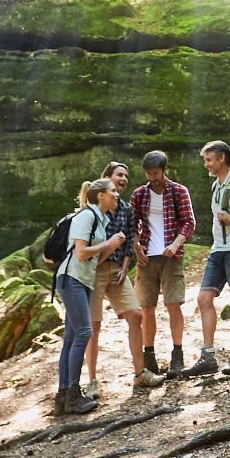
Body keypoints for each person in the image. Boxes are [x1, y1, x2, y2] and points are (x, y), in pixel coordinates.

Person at [175, 140, 230, 378]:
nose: (206, 164)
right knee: (204, 298)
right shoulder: (216, 185)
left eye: (209, 160)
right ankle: (208, 356)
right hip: (218, 250)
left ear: (221, 159)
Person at [84, 162, 161, 394]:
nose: (124, 180)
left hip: (117, 270)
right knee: (93, 327)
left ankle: (140, 374)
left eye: (126, 176)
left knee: (135, 315)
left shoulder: (126, 209)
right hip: (94, 272)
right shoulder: (92, 212)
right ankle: (92, 382)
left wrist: (125, 267)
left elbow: (129, 241)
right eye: (119, 175)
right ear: (106, 179)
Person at [54, 177, 125, 415]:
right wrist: (108, 244)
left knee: (71, 337)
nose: (117, 194)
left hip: (81, 280)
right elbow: (81, 253)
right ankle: (72, 394)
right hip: (71, 279)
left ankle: (63, 396)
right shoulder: (87, 216)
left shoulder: (101, 220)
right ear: (101, 196)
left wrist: (111, 247)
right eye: (113, 191)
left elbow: (93, 260)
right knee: (84, 332)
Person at [130, 150, 195, 378]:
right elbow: (132, 223)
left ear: (164, 170)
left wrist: (176, 244)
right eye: (148, 173)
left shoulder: (178, 191)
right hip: (147, 258)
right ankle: (149, 356)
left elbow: (188, 222)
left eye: (155, 173)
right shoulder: (139, 194)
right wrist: (136, 246)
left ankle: (177, 355)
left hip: (171, 257)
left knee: (173, 304)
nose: (151, 177)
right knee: (147, 307)